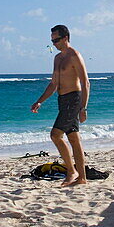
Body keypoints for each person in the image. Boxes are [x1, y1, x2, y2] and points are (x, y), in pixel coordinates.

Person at [31, 24, 91, 186]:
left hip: (74, 99)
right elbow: (53, 84)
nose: (54, 43)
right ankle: (82, 178)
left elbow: (85, 82)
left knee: (55, 135)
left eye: (56, 40)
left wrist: (83, 108)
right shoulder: (57, 58)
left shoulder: (74, 56)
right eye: (52, 40)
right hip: (62, 100)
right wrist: (39, 101)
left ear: (66, 38)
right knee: (73, 138)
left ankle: (71, 171)